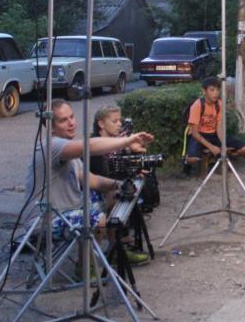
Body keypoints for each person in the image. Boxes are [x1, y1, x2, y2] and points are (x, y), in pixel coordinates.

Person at [24, 99, 154, 241]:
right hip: (46, 220)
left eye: (72, 117)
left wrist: (120, 185)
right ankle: (91, 256)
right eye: (63, 120)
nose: (71, 123)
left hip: (69, 209)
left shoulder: (67, 147)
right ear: (51, 127)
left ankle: (115, 248)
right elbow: (89, 146)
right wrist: (128, 141)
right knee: (97, 220)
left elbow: (90, 179)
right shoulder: (52, 145)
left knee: (115, 195)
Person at [91, 105, 150, 265]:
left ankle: (118, 249)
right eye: (114, 121)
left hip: (108, 190)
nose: (119, 124)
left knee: (124, 194)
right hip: (93, 195)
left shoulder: (117, 142)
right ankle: (88, 263)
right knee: (119, 197)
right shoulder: (94, 145)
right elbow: (101, 178)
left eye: (120, 120)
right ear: (101, 124)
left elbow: (120, 171)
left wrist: (135, 168)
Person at [182, 76, 245, 177]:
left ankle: (217, 160)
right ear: (204, 91)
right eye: (212, 90)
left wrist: (223, 144)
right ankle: (186, 162)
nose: (216, 93)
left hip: (213, 134)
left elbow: (219, 128)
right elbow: (195, 133)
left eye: (218, 90)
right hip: (199, 135)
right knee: (193, 159)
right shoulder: (197, 106)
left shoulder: (219, 104)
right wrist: (212, 147)